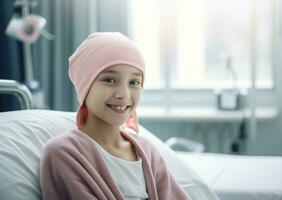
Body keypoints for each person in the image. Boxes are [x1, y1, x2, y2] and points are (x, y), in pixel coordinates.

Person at [39, 32, 189, 200]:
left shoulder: (147, 151)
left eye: (134, 82)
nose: (124, 94)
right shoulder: (63, 153)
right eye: (110, 80)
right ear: (85, 84)